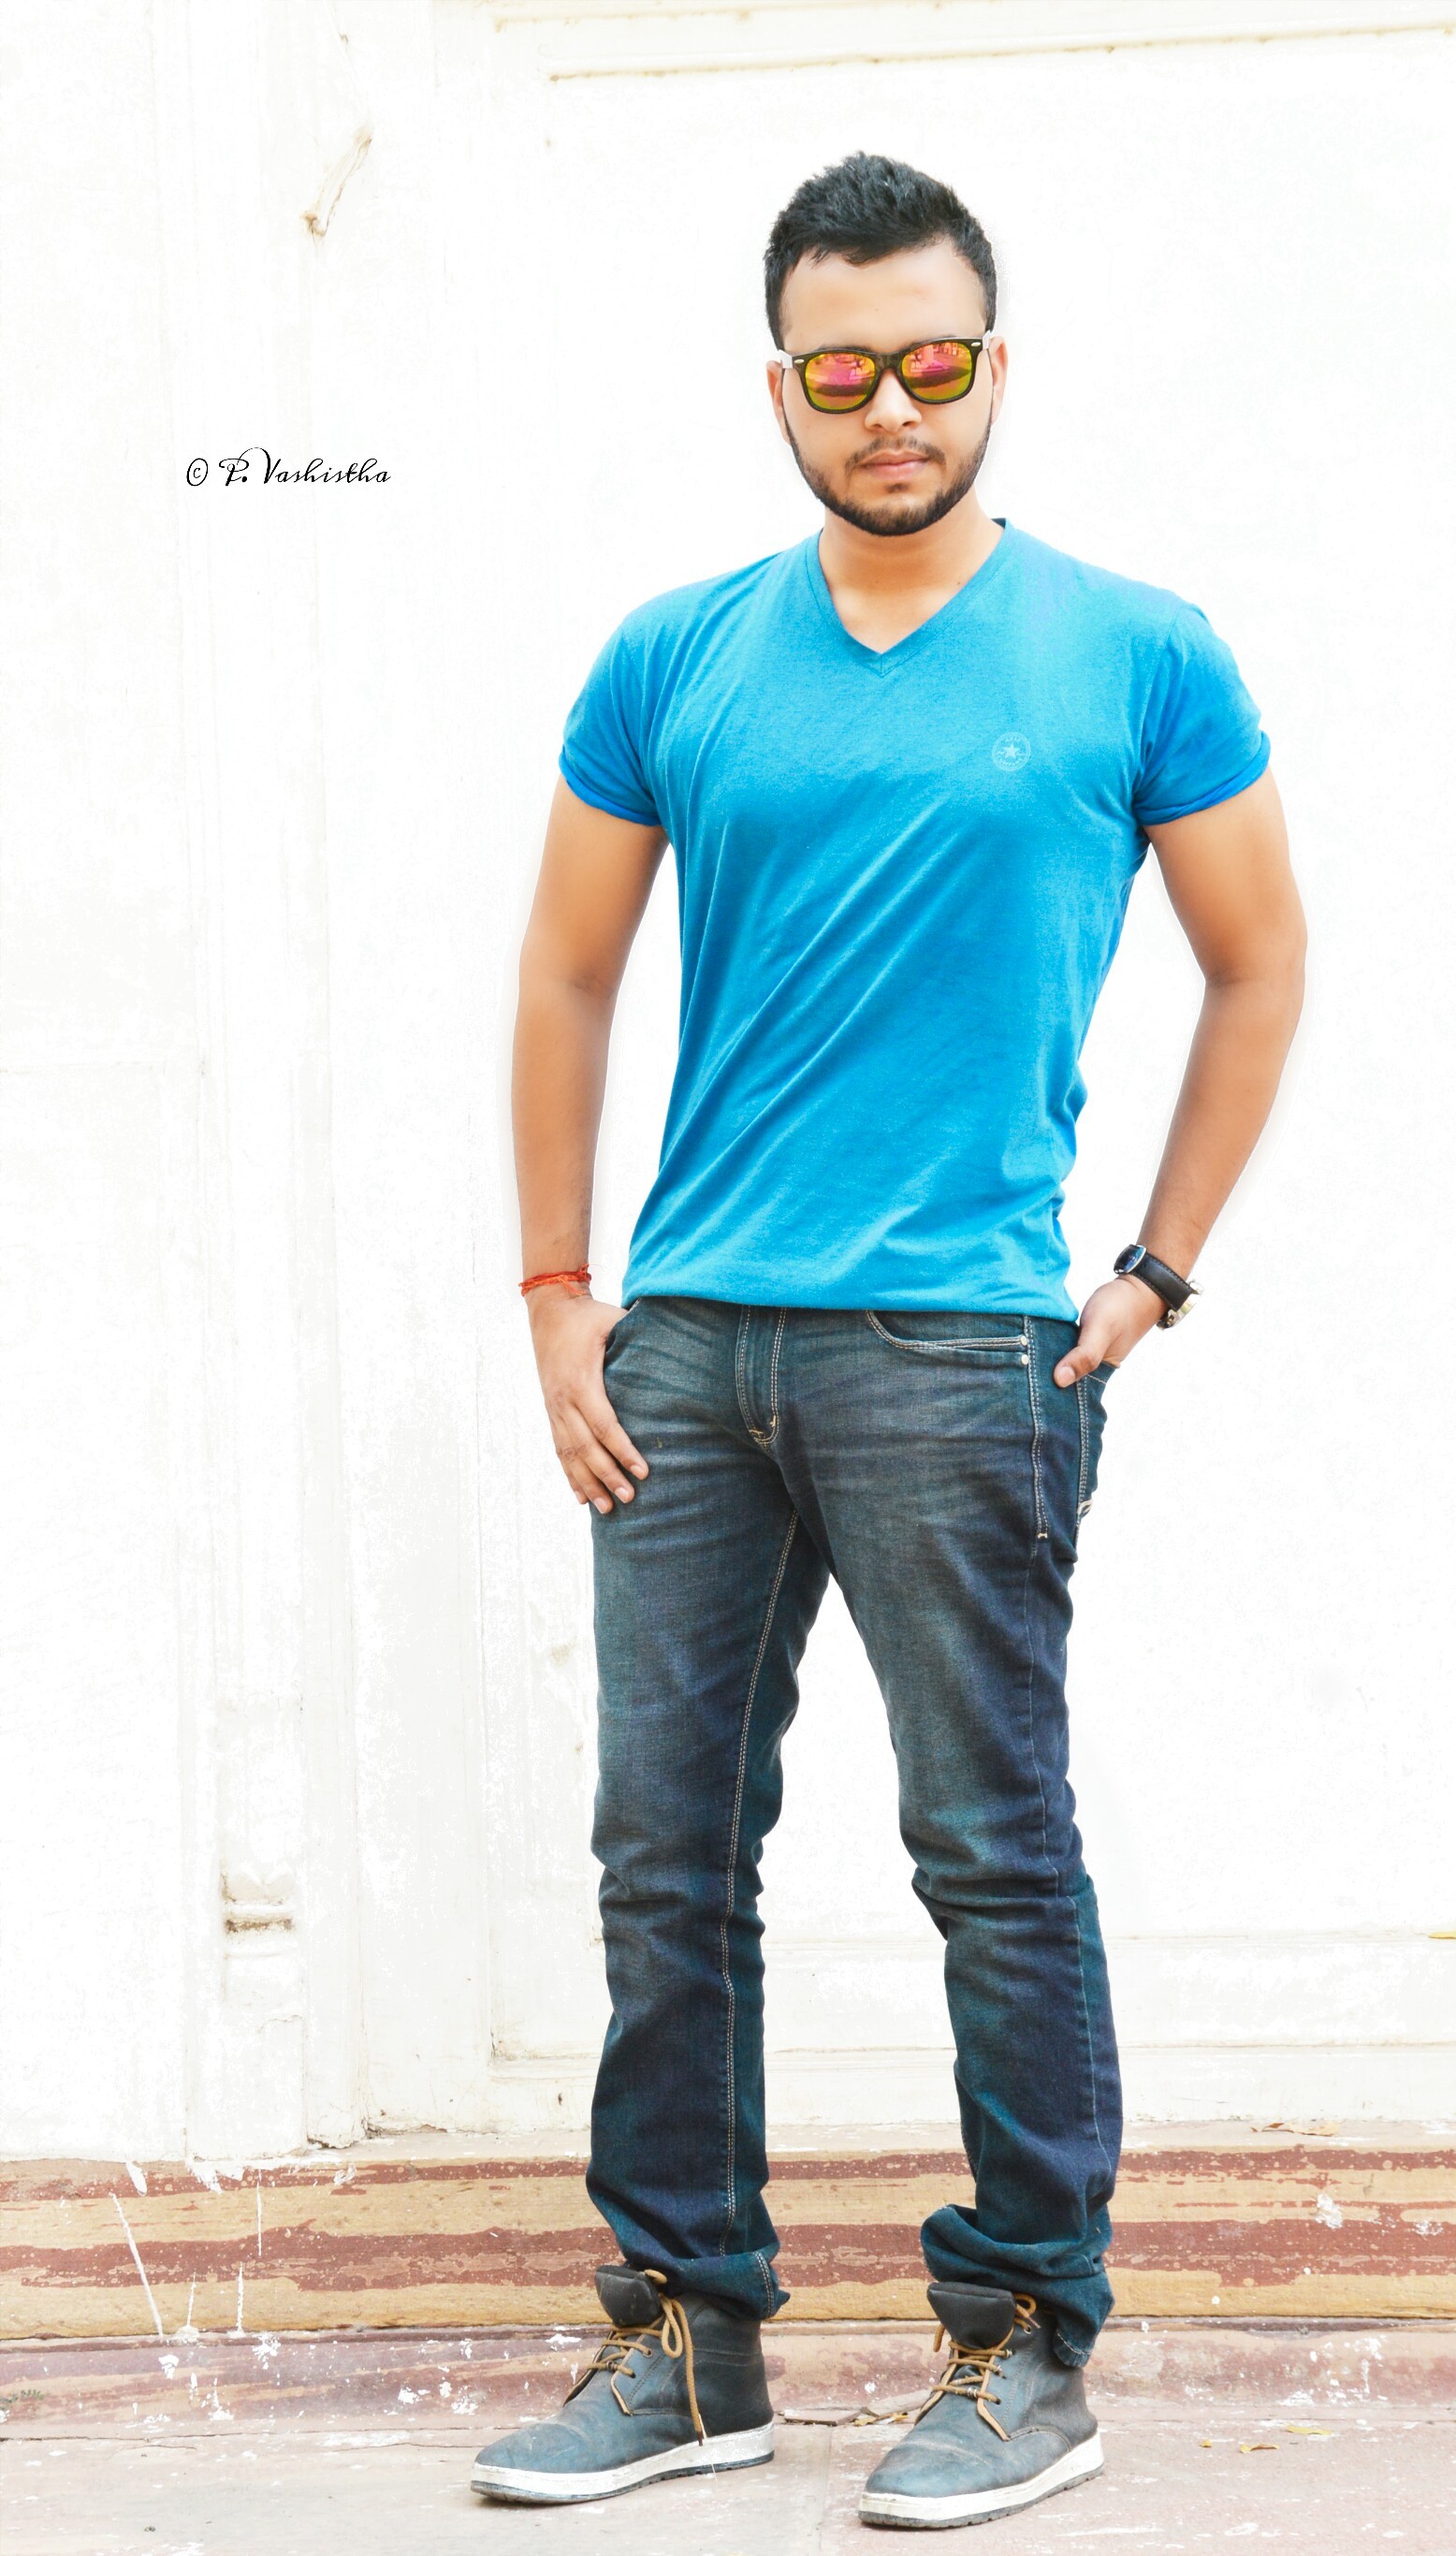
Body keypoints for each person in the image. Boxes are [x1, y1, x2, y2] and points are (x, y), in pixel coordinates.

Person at [472, 152, 1305, 2530]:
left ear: (992, 365)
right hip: (688, 1352)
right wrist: (557, 1291)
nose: (890, 407)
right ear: (782, 389)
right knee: (665, 1857)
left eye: (931, 361)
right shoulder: (673, 656)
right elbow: (565, 971)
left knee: (988, 1850)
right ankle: (685, 2335)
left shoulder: (1137, 651)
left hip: (959, 1347)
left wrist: (1153, 1266)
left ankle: (1028, 2336)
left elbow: (1260, 959)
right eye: (840, 371)